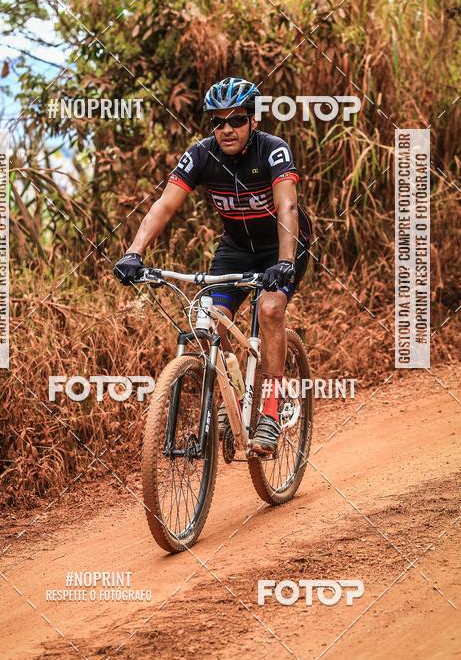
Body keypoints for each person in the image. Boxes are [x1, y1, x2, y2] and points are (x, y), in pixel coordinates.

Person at [113, 77, 312, 454]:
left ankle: (269, 411)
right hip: (236, 249)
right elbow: (164, 205)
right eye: (218, 122)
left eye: (236, 120)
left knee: (269, 310)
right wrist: (134, 251)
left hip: (283, 245)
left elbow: (287, 208)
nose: (227, 129)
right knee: (208, 322)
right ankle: (235, 396)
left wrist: (285, 262)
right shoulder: (202, 154)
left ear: (253, 121)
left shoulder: (273, 151)